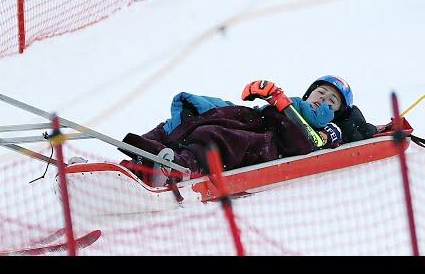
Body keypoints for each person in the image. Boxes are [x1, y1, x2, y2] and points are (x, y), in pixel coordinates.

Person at [119, 75, 378, 184]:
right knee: (195, 113)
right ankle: (133, 162)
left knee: (216, 136)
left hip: (267, 140)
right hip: (253, 118)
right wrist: (277, 102)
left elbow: (307, 142)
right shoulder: (294, 104)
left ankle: (177, 166)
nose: (323, 99)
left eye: (332, 101)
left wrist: (279, 101)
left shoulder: (332, 128)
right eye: (321, 92)